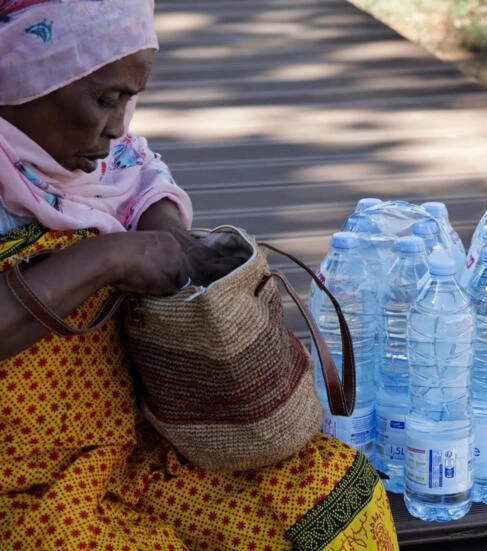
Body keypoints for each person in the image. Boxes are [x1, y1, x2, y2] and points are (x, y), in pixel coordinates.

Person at [0, 1, 399, 549]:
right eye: (104, 99)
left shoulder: (102, 160)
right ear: (24, 81)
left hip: (138, 446)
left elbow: (141, 177)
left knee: (330, 491)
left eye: (130, 98)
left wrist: (168, 234)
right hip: (24, 484)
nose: (118, 125)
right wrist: (108, 258)